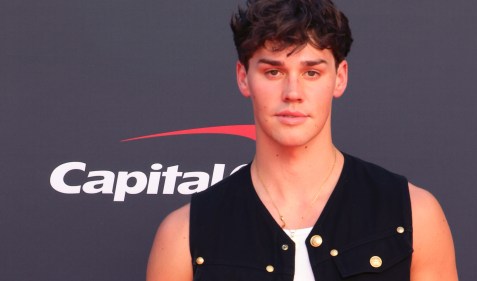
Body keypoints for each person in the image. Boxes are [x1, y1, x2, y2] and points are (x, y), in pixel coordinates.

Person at [146, 0, 458, 280]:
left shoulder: (412, 213)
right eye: (273, 72)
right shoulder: (185, 234)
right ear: (243, 77)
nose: (292, 93)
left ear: (340, 77)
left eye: (311, 73)